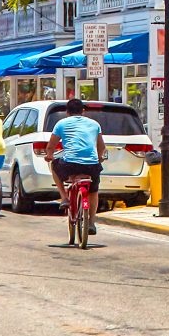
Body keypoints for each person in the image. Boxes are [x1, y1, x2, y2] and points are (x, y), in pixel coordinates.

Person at [47, 98, 106, 235]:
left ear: (67, 112)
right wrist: (99, 158)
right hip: (91, 165)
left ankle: (64, 198)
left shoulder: (61, 124)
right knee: (93, 191)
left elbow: (51, 146)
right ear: (83, 111)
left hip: (70, 164)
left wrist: (49, 155)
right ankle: (91, 222)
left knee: (53, 165)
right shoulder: (94, 124)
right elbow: (101, 147)